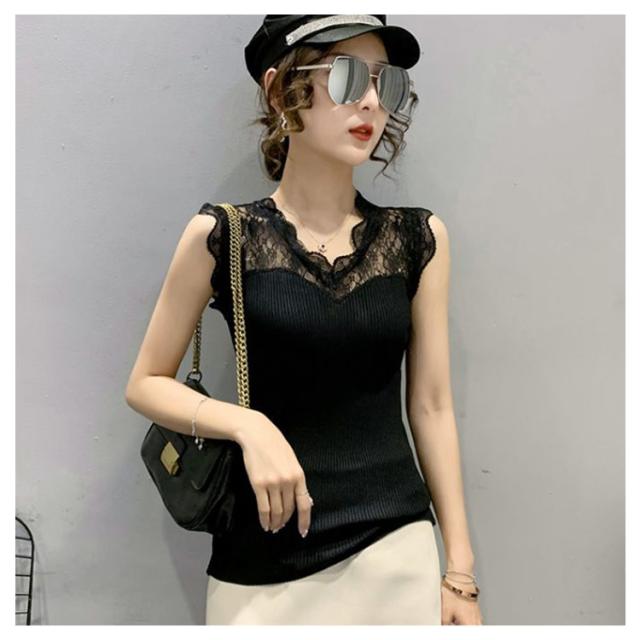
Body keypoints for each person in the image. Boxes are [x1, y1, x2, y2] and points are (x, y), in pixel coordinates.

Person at [125, 14, 483, 625]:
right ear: (279, 90)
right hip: (259, 560)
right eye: (347, 76)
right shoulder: (223, 235)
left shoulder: (417, 239)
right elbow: (145, 383)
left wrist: (461, 572)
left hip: (395, 552)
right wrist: (248, 425)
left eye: (386, 82)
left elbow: (431, 406)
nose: (371, 102)